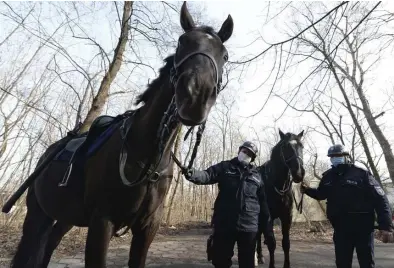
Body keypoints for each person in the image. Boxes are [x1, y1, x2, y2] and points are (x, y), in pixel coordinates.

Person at [300, 144, 393, 268]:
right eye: (332, 156)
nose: (335, 158)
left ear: (346, 157)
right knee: (342, 263)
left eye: (338, 156)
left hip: (363, 228)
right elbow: (321, 194)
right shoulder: (328, 177)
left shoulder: (361, 174)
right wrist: (307, 190)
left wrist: (385, 226)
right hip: (341, 229)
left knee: (366, 263)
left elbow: (381, 200)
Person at [182, 141, 271, 268]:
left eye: (249, 154)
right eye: (244, 151)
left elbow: (263, 205)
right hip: (225, 225)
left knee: (247, 264)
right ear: (239, 150)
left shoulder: (257, 176)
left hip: (249, 228)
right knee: (220, 262)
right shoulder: (225, 167)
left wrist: (268, 232)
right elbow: (207, 175)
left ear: (252, 158)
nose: (245, 154)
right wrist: (192, 173)